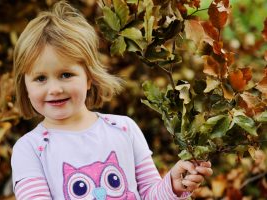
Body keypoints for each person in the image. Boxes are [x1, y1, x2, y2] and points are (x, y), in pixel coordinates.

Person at [11, 1, 213, 199]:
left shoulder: (123, 130)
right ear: (25, 86)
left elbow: (150, 194)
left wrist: (173, 187)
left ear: (89, 77)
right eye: (40, 78)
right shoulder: (30, 149)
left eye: (65, 75)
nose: (54, 89)